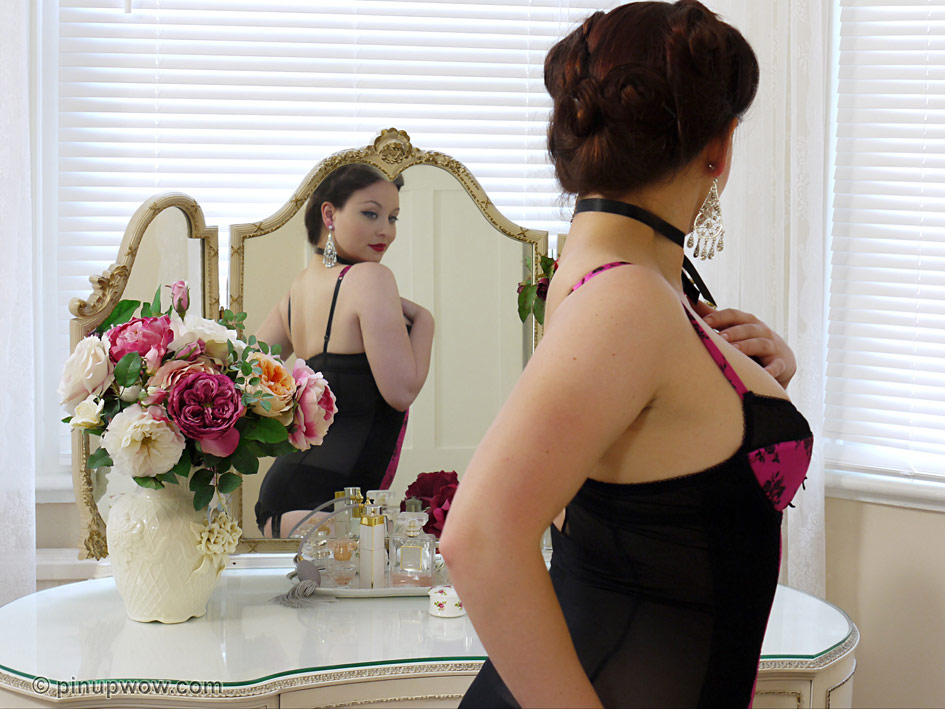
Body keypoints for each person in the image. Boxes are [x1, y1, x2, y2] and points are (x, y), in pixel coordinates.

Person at [439, 2, 812, 707]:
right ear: (720, 147)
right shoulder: (627, 299)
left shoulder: (617, 283)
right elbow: (479, 538)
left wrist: (761, 383)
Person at [254, 164, 434, 538]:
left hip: (285, 496)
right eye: (371, 213)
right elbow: (401, 392)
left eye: (393, 217)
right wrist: (426, 321)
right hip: (325, 502)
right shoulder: (371, 278)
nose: (386, 231)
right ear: (329, 214)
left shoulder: (299, 288)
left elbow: (245, 371)